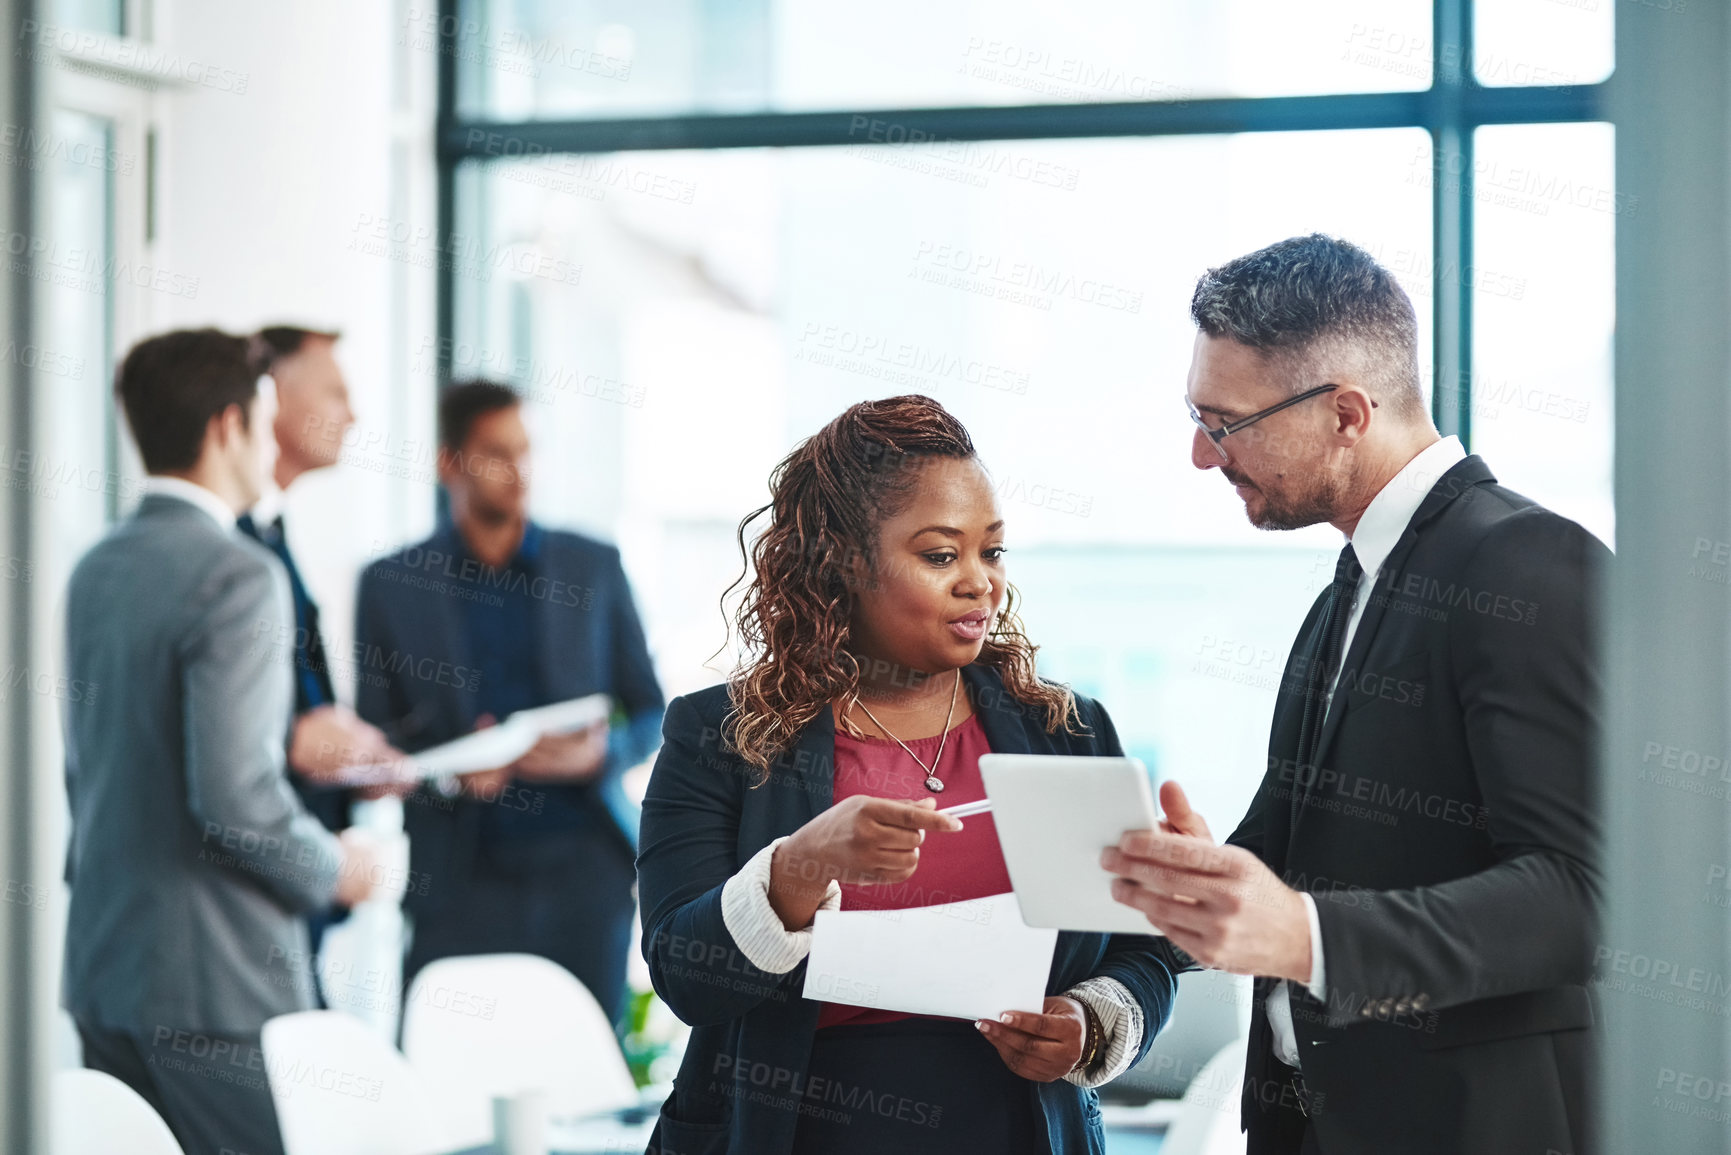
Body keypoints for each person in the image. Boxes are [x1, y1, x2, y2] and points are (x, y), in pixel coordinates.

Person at [1103, 234, 1605, 1155]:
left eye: (1225, 422)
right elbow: (1291, 849)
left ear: (1344, 412)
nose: (1201, 456)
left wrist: (1301, 932)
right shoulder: (1347, 589)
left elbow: (1580, 898)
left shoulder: (1527, 563)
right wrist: (1188, 880)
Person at [638, 395, 1178, 1155]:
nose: (978, 583)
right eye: (938, 554)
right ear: (842, 563)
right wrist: (798, 868)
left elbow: (1141, 947)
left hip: (1013, 1127)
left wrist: (1091, 1022)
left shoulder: (1066, 730)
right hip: (793, 1132)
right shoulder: (717, 735)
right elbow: (682, 972)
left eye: (990, 552)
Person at [62, 328, 379, 1155]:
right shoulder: (239, 573)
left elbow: (93, 765)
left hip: (105, 965)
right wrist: (333, 867)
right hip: (215, 981)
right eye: (264, 415)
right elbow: (235, 796)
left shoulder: (96, 565)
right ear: (226, 428)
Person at [355, 380, 664, 1025]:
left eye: (526, 451)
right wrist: (447, 774)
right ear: (449, 463)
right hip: (459, 878)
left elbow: (650, 710)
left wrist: (601, 752)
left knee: (583, 1082)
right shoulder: (391, 585)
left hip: (585, 872)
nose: (519, 471)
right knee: (452, 1080)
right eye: (498, 452)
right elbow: (377, 744)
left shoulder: (593, 565)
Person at [243, 324, 404, 985]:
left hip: (298, 877)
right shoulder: (231, 550)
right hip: (254, 889)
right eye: (334, 392)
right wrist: (297, 739)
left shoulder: (271, 530)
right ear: (268, 399)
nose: (354, 413)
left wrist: (353, 750)